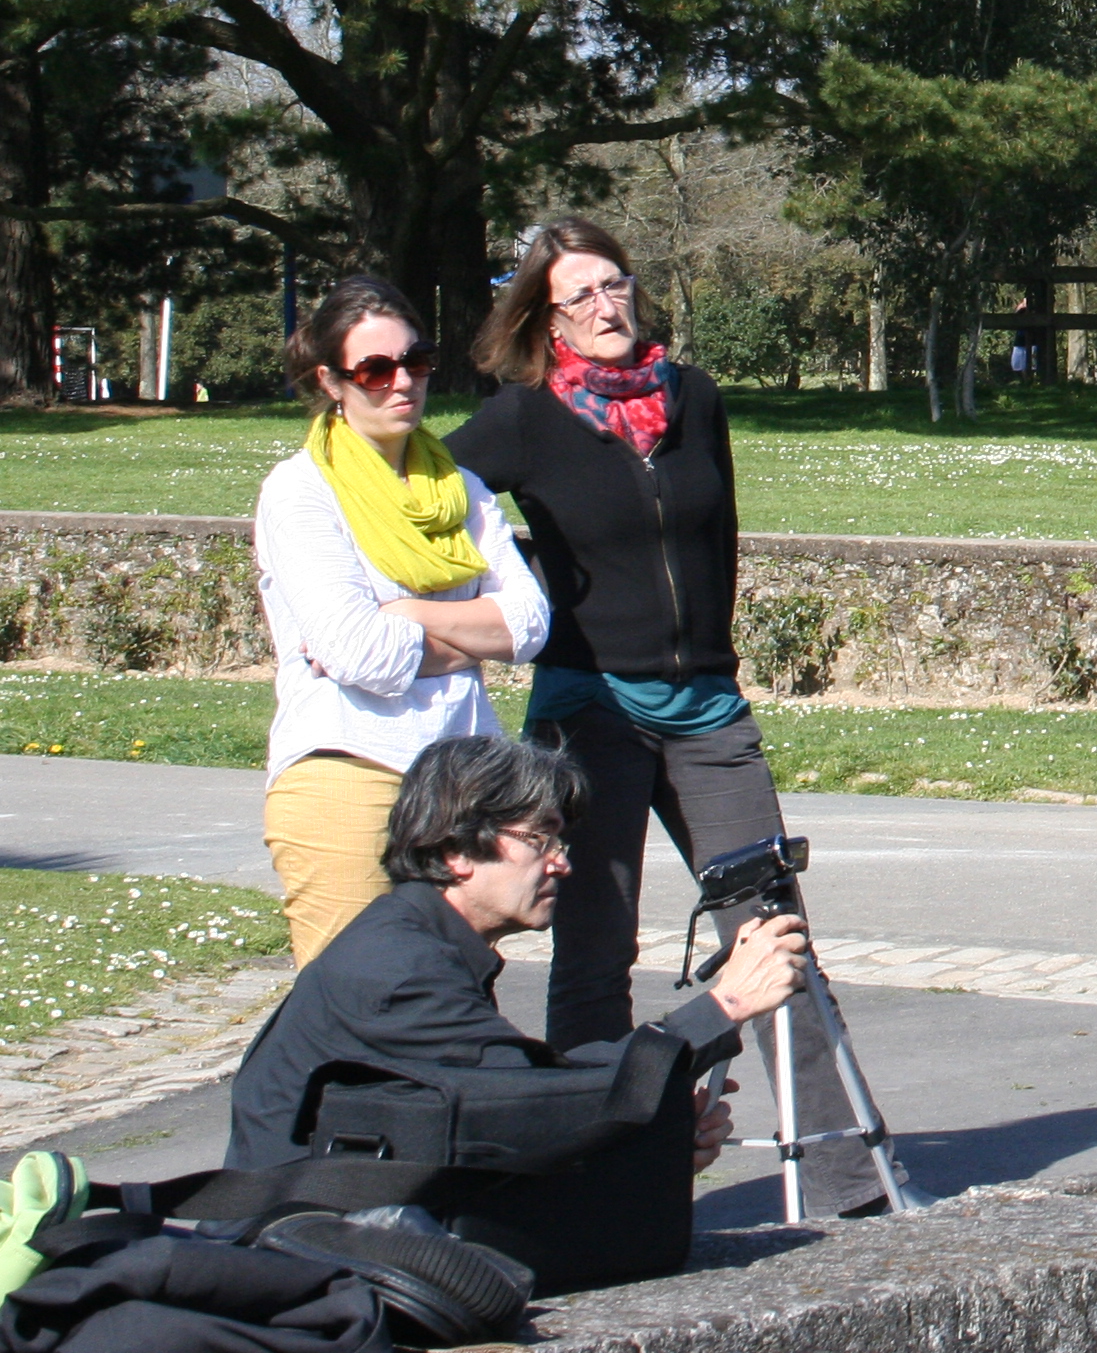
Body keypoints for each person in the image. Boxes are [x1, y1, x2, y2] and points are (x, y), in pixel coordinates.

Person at [447, 217, 892, 1217]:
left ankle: (849, 1186)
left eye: (617, 285)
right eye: (580, 296)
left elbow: (718, 534)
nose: (607, 308)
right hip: (589, 711)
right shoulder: (521, 420)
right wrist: (495, 596)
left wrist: (714, 658)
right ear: (544, 318)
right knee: (594, 955)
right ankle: (599, 1181)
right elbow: (421, 497)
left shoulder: (692, 399)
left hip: (709, 714)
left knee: (777, 941)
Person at [226, 735, 803, 1174]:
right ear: (456, 850)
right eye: (539, 839)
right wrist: (724, 1005)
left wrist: (652, 1133)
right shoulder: (401, 972)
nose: (561, 863)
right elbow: (536, 1103)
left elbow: (510, 1109)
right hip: (305, 1257)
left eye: (561, 842)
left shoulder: (420, 941)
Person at [252, 277, 551, 964]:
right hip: (347, 772)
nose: (402, 383)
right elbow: (358, 654)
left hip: (463, 785)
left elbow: (530, 625)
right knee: (356, 1009)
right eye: (376, 369)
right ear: (332, 380)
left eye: (416, 362)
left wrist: (403, 614)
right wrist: (472, 639)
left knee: (455, 1005)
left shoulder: (461, 488)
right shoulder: (301, 493)